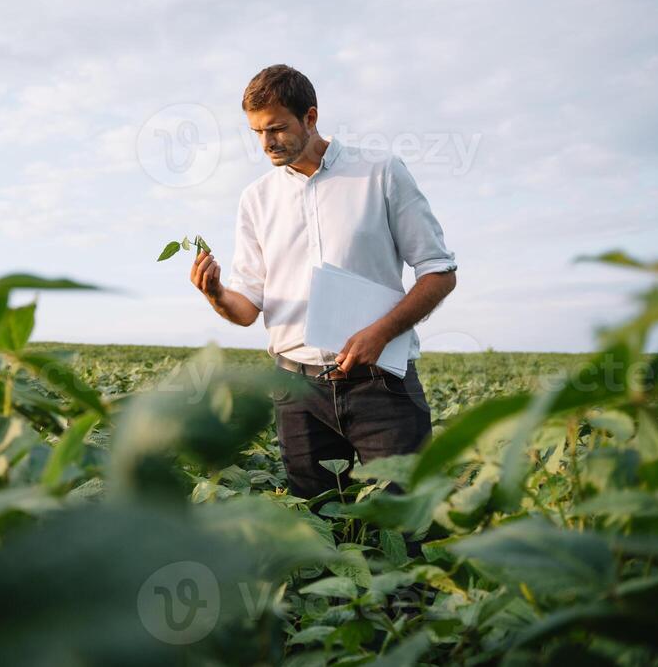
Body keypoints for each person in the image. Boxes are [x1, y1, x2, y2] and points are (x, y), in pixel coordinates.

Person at [187, 64, 458, 508]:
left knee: (406, 527)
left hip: (382, 387)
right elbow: (247, 308)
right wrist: (215, 293)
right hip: (298, 393)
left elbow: (439, 272)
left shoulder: (381, 173)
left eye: (276, 128)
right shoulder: (256, 199)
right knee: (319, 533)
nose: (266, 143)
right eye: (256, 132)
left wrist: (381, 332)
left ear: (310, 118)